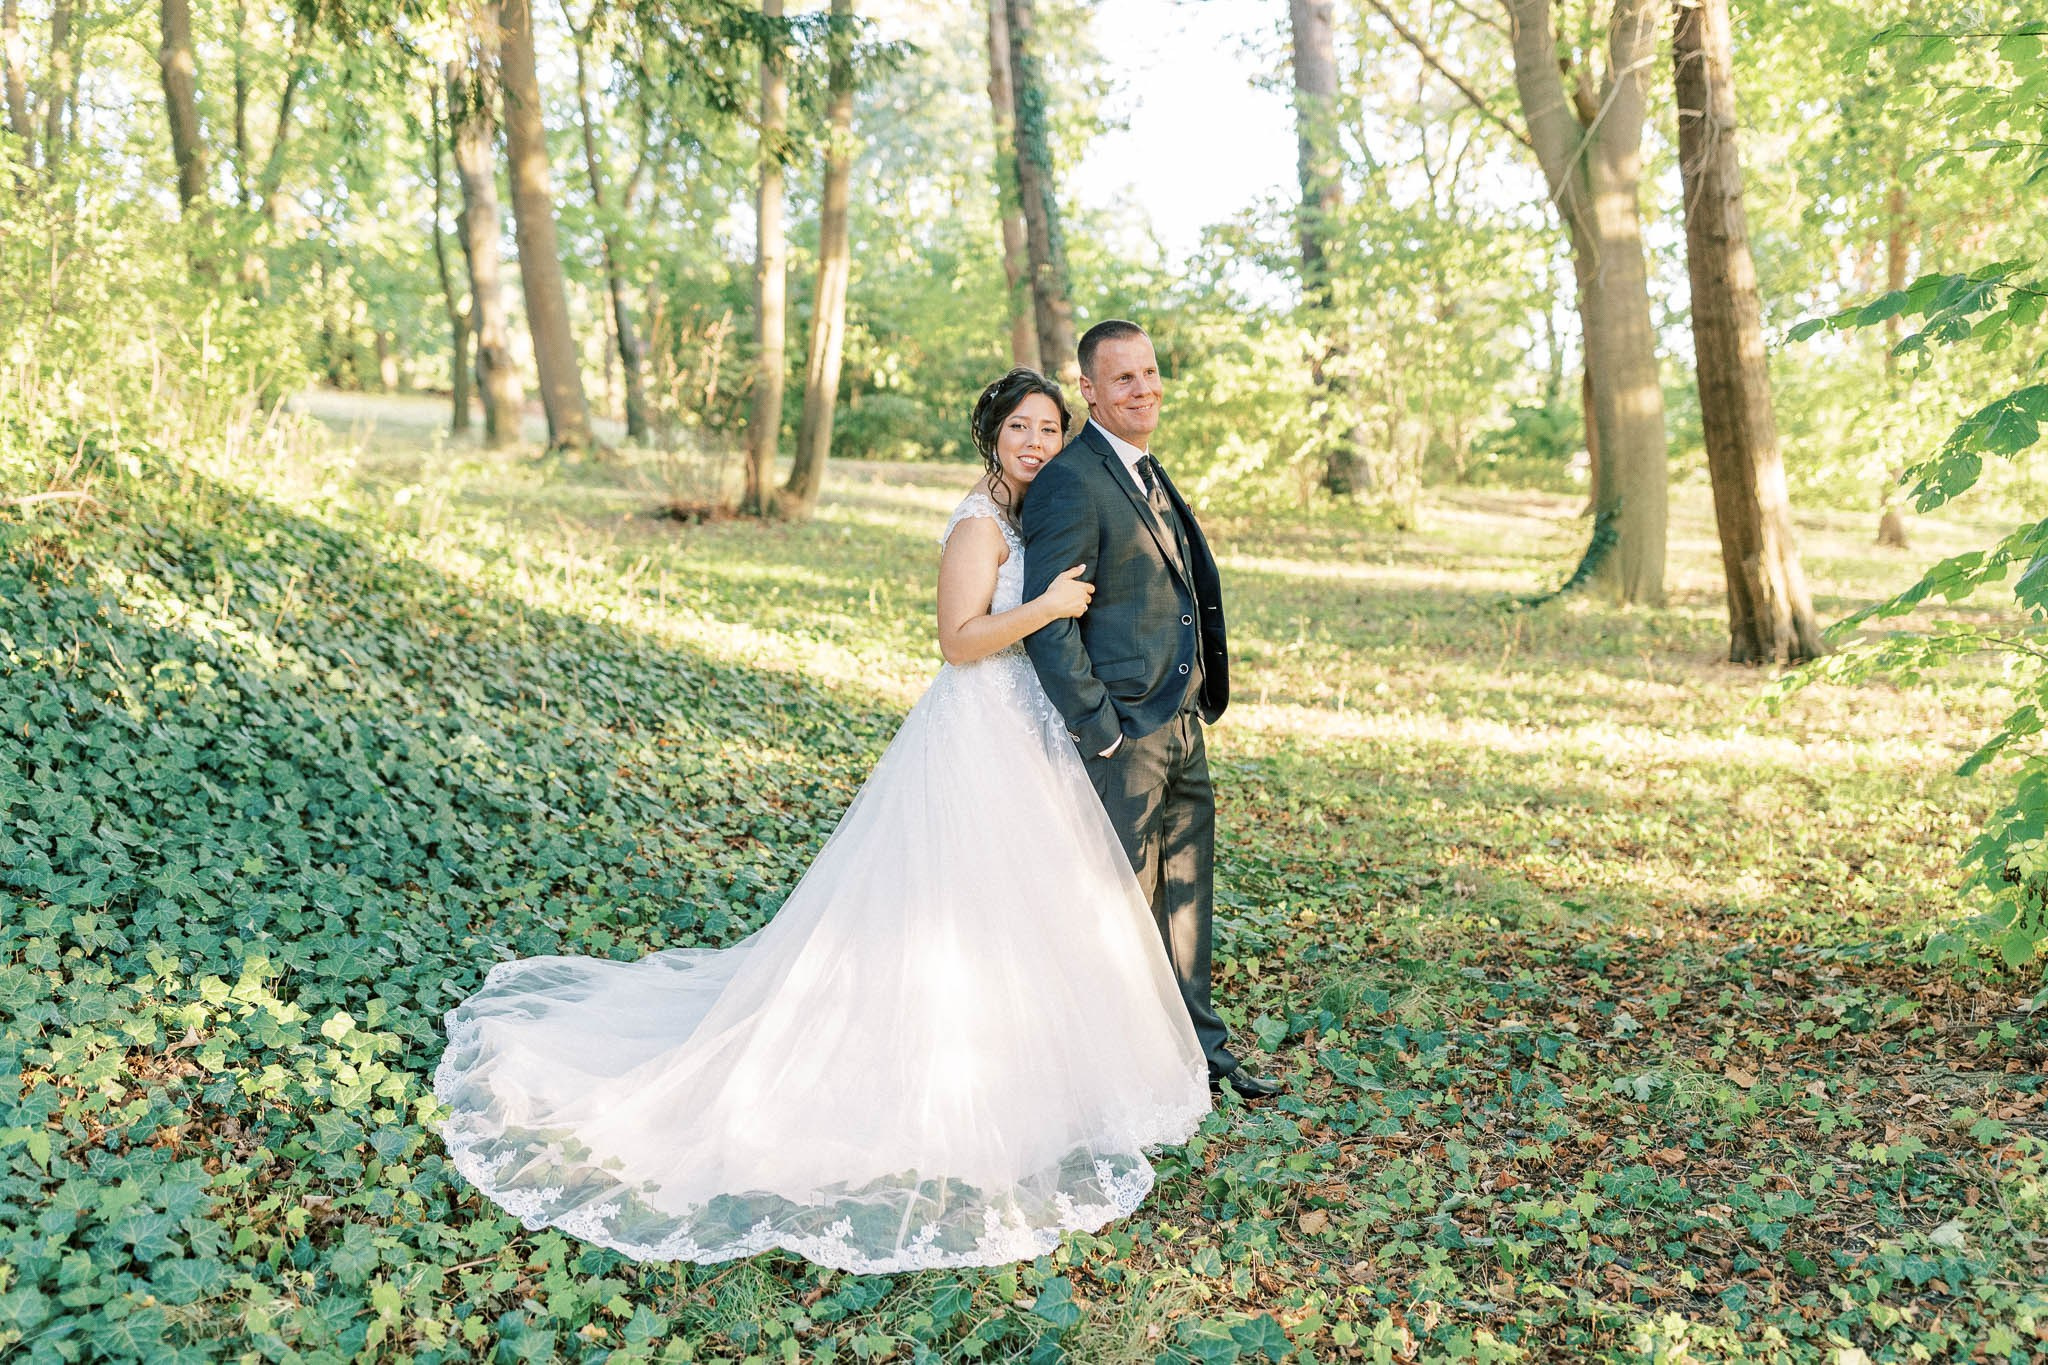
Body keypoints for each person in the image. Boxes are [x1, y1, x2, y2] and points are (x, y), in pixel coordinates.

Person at [434, 368, 1210, 1275]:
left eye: (1049, 428)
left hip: (1032, 733)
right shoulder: (976, 524)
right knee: (950, 904)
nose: (1037, 443)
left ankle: (1024, 1065)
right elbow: (957, 642)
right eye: (1021, 429)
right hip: (978, 732)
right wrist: (1041, 606)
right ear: (991, 436)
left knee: (1028, 911)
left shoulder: (1044, 512)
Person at [1021, 320, 1280, 1100]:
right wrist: (1100, 729)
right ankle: (1117, 1074)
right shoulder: (1072, 479)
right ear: (1089, 391)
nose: (1144, 388)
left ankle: (1202, 1052)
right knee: (1121, 908)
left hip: (1183, 722)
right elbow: (1049, 617)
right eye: (1123, 378)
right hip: (1124, 733)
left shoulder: (1148, 470)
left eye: (1151, 372)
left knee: (1187, 892)